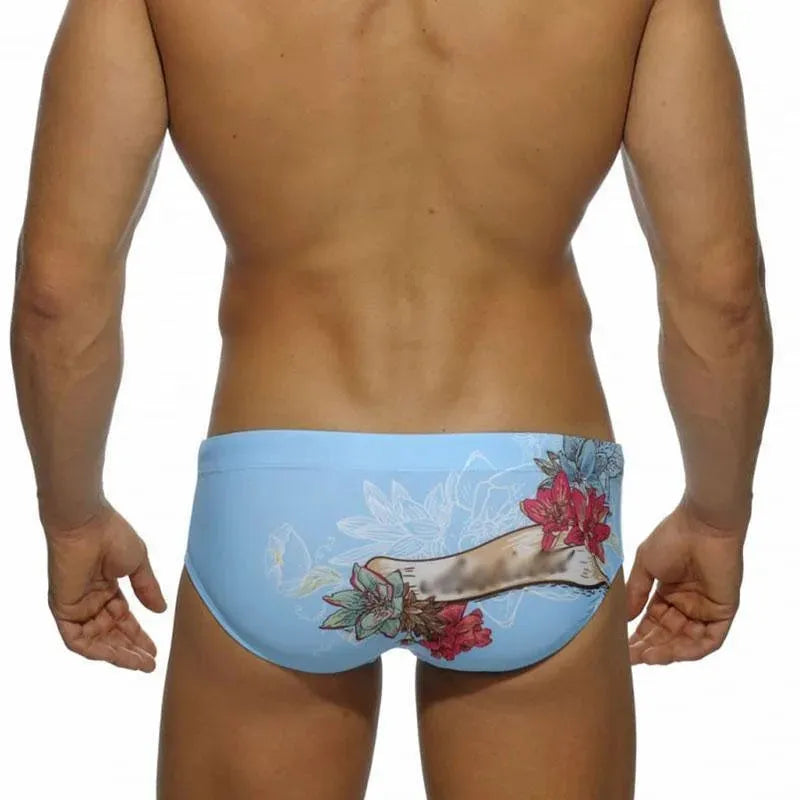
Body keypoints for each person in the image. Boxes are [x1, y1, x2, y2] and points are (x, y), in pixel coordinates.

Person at [9, 1, 772, 798]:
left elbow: (56, 292)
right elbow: (721, 291)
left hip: (281, 490)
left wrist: (72, 515)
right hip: (532, 503)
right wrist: (717, 517)